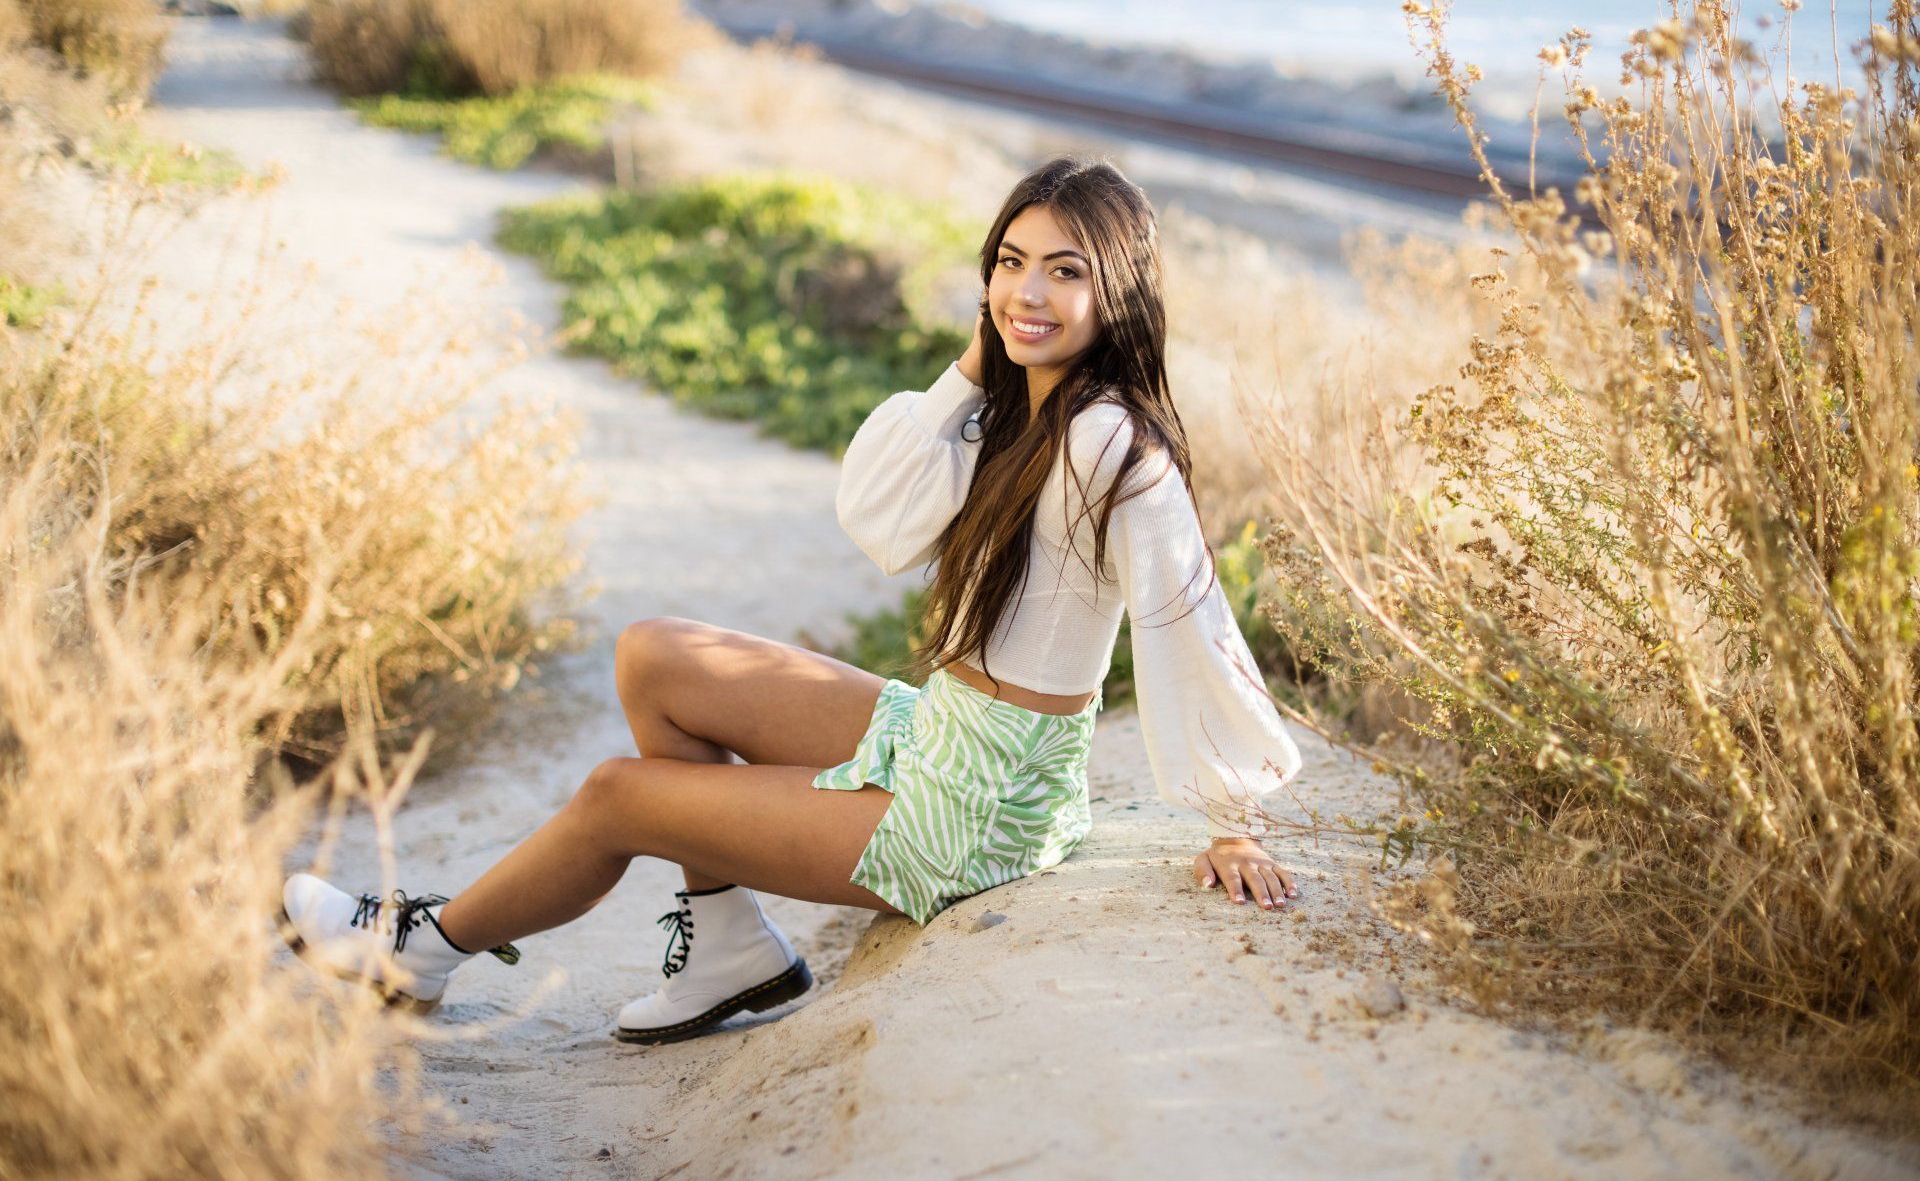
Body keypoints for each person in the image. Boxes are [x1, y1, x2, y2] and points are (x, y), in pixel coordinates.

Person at [279, 154, 1304, 1046]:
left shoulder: (1111, 442)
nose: (1025, 291)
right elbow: (880, 518)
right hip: (944, 734)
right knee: (654, 653)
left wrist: (1233, 818)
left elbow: (1187, 621)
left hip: (977, 812)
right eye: (1010, 261)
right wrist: (972, 370)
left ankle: (421, 945)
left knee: (617, 794)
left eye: (1065, 271)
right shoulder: (1016, 408)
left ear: (1117, 289)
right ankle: (727, 945)